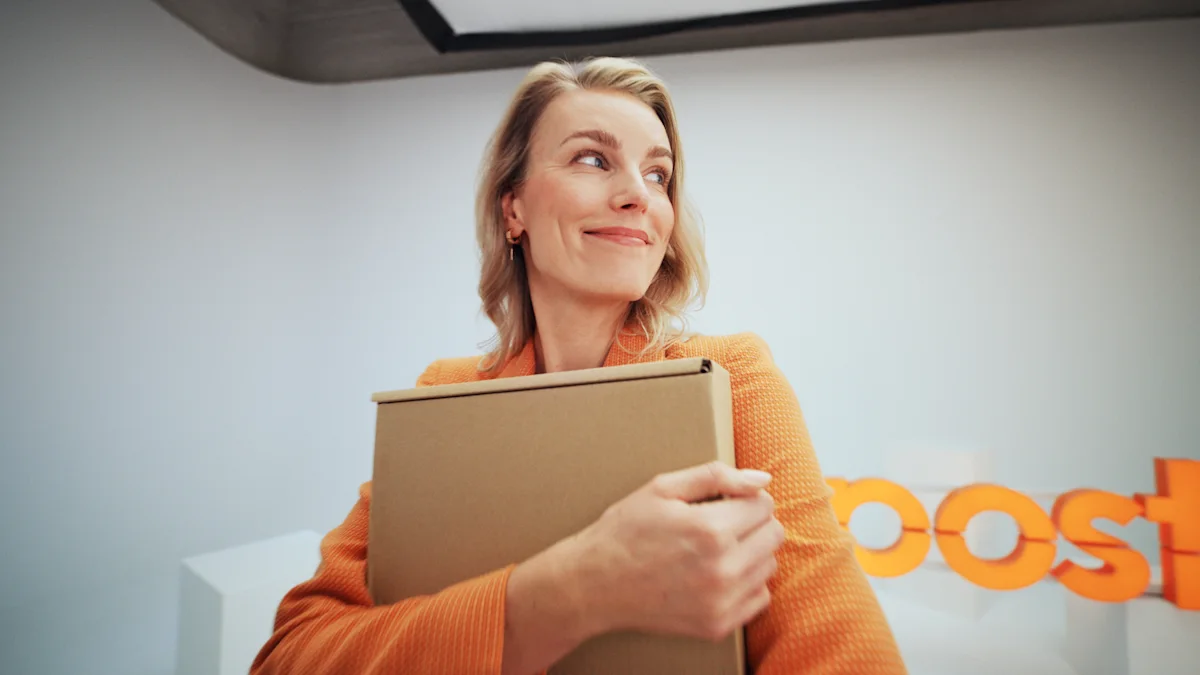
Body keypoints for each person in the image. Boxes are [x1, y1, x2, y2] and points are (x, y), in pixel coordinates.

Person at [249, 57, 907, 675]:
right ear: (513, 209)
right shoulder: (443, 393)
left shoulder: (734, 377)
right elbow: (289, 654)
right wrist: (571, 592)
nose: (638, 196)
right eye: (593, 158)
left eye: (658, 174)